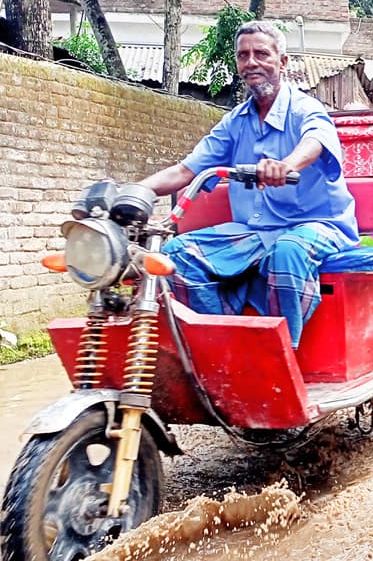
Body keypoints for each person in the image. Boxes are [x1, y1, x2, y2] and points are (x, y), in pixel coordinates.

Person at [138, 21, 358, 349]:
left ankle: (282, 356)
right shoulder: (235, 122)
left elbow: (315, 141)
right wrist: (133, 190)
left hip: (318, 227)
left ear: (282, 62)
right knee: (175, 255)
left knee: (287, 252)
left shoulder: (306, 109)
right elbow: (185, 170)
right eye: (243, 55)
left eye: (262, 54)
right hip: (255, 232)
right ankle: (217, 346)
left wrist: (287, 165)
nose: (251, 62)